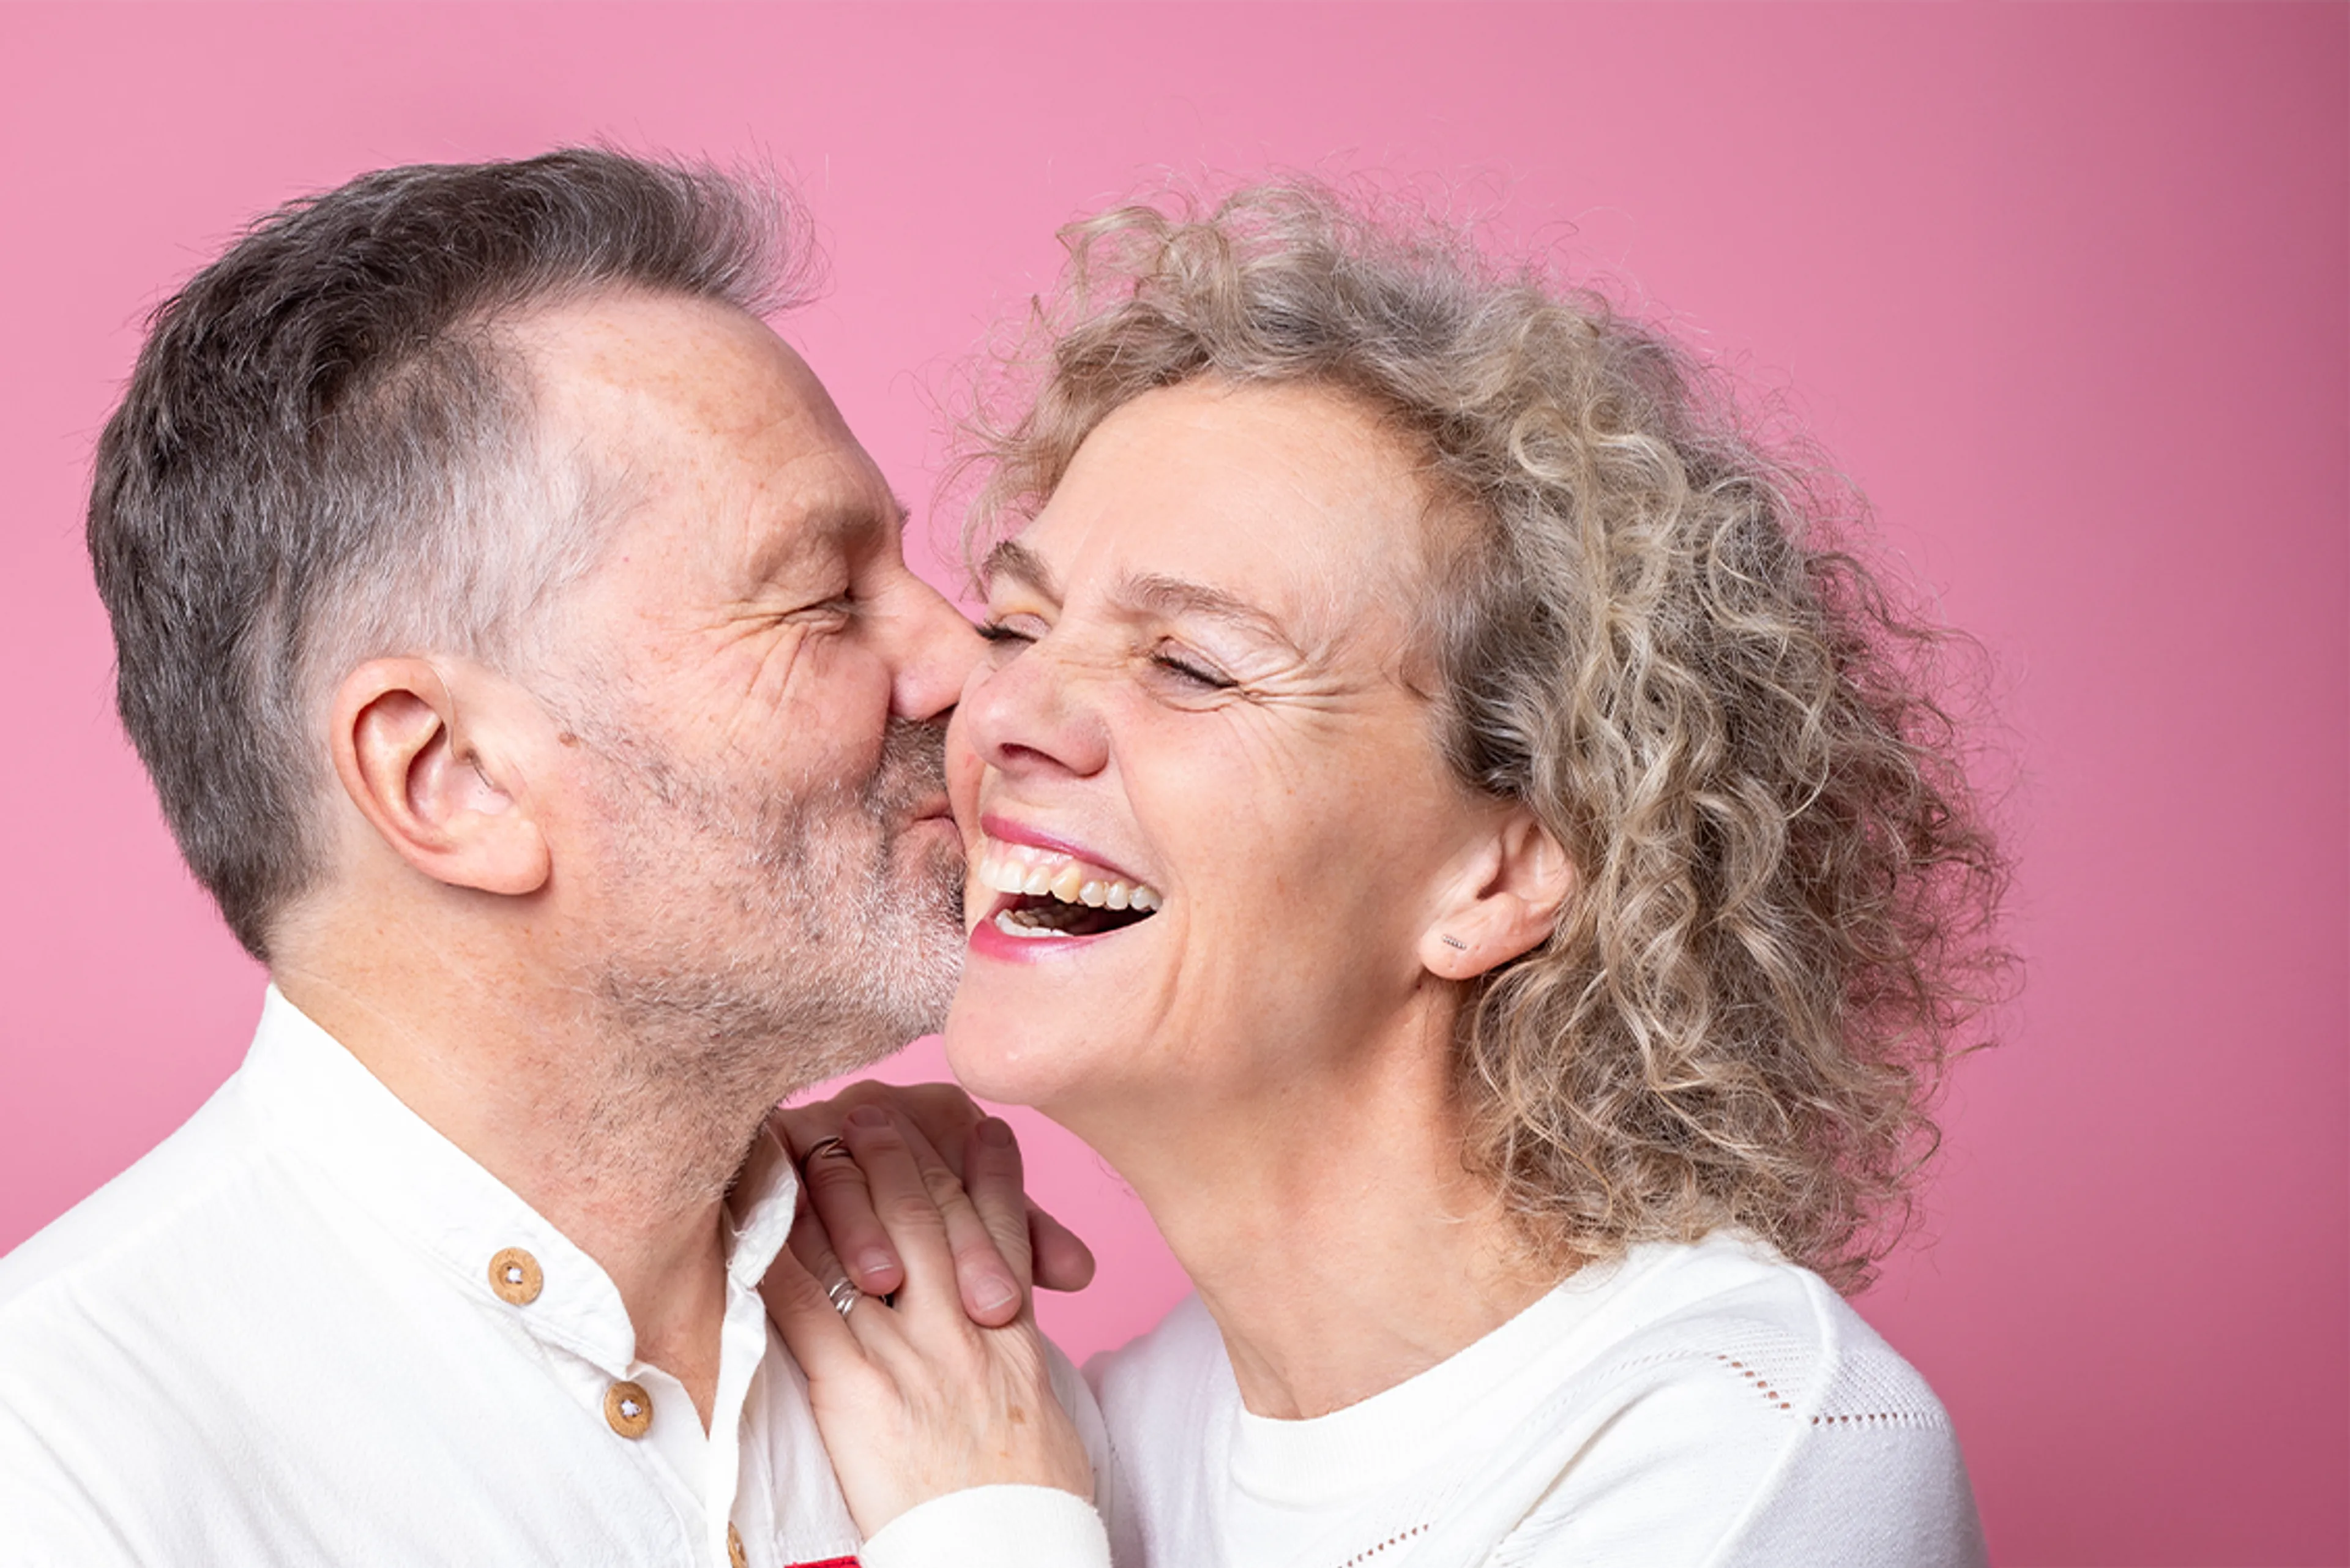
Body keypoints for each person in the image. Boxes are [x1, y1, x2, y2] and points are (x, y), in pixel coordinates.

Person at [768, 182, 2010, 1566]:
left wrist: (987, 1531)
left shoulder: (1754, 1450)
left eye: (1190, 664)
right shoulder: (1048, 1428)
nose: (996, 715)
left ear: (1505, 873)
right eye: (1016, 623)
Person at [0, 149, 1105, 1567]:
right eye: (828, 600)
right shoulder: (65, 1478)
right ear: (452, 780)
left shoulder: (960, 1359)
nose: (971, 666)